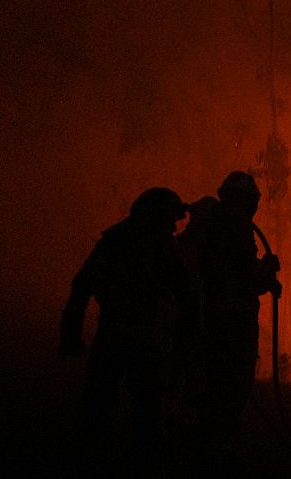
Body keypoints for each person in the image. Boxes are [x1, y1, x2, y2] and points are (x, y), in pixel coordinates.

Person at [60, 187, 194, 460]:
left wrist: (70, 334)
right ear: (158, 215)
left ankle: (89, 463)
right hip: (146, 342)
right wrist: (190, 337)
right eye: (170, 218)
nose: (173, 226)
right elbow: (187, 295)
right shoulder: (163, 246)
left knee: (98, 407)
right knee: (147, 413)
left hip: (112, 336)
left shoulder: (114, 240)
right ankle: (144, 475)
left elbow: (81, 286)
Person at [192, 171, 281, 455]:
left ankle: (209, 442)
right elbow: (240, 276)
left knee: (217, 381)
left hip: (217, 317)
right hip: (231, 320)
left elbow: (238, 270)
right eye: (251, 201)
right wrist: (265, 274)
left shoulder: (219, 226)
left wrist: (264, 274)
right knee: (231, 384)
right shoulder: (232, 228)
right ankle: (215, 445)